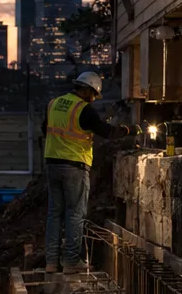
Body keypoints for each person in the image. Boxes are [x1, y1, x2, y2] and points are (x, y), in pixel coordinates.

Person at [40, 71, 129, 273]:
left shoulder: (54, 104)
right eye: (94, 95)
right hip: (74, 167)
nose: (94, 99)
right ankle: (71, 261)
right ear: (88, 91)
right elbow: (107, 132)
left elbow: (45, 129)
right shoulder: (84, 109)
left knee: (54, 214)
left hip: (52, 165)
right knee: (74, 214)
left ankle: (51, 262)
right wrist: (128, 131)